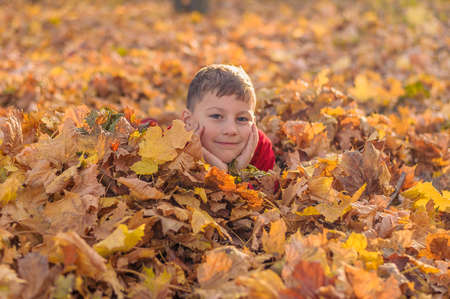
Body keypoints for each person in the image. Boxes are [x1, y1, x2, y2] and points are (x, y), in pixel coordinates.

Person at [181, 64, 275, 172]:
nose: (231, 130)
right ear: (188, 122)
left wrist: (235, 173)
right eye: (216, 116)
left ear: (253, 122)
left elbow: (265, 188)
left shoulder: (261, 150)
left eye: (242, 119)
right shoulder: (172, 147)